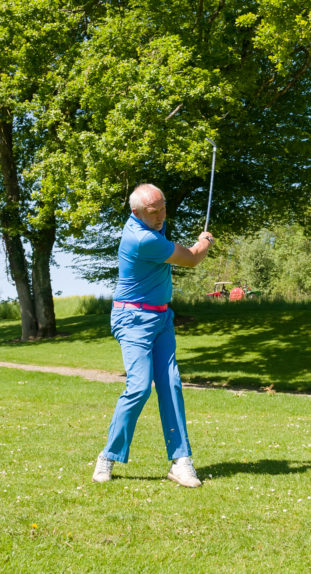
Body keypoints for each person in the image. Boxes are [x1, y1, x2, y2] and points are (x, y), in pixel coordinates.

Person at [92, 183, 214, 487]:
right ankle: (108, 456)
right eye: (153, 211)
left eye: (163, 208)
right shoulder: (142, 238)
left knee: (171, 384)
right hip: (132, 318)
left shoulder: (149, 224)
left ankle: (181, 461)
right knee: (139, 387)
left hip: (161, 317)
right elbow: (191, 258)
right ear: (136, 213)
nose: (161, 215)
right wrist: (205, 241)